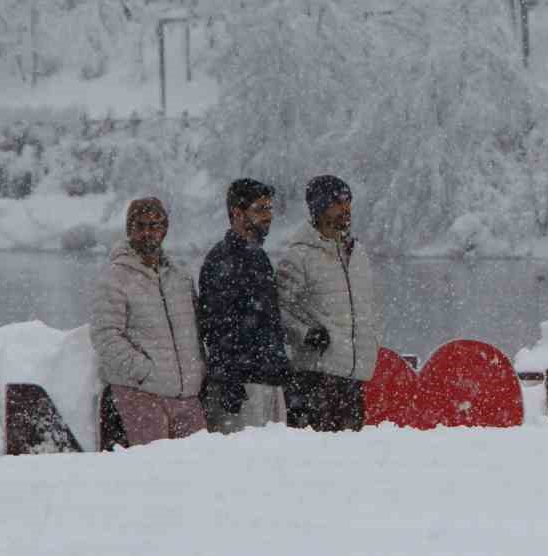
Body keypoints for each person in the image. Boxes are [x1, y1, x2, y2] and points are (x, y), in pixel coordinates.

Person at [89, 198, 208, 445]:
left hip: (187, 394)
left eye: (154, 225)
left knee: (198, 470)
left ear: (165, 228)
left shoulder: (181, 276)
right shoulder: (115, 278)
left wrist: (198, 370)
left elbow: (196, 330)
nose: (147, 233)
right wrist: (145, 372)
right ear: (129, 229)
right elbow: (105, 336)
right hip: (142, 395)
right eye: (140, 226)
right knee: (154, 473)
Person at [276, 175, 384, 432]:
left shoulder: (358, 254)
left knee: (352, 460)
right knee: (319, 461)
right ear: (319, 207)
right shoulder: (298, 255)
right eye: (338, 203)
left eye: (348, 202)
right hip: (316, 378)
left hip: (355, 375)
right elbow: (279, 309)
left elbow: (371, 306)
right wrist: (306, 334)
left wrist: (373, 340)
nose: (345, 209)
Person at [197, 178, 292, 433]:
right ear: (237, 213)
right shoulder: (221, 260)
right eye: (260, 209)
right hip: (241, 387)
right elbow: (214, 326)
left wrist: (280, 368)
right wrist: (229, 377)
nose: (268, 216)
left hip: (268, 380)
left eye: (269, 209)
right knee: (242, 465)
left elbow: (268, 321)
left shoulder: (259, 257)